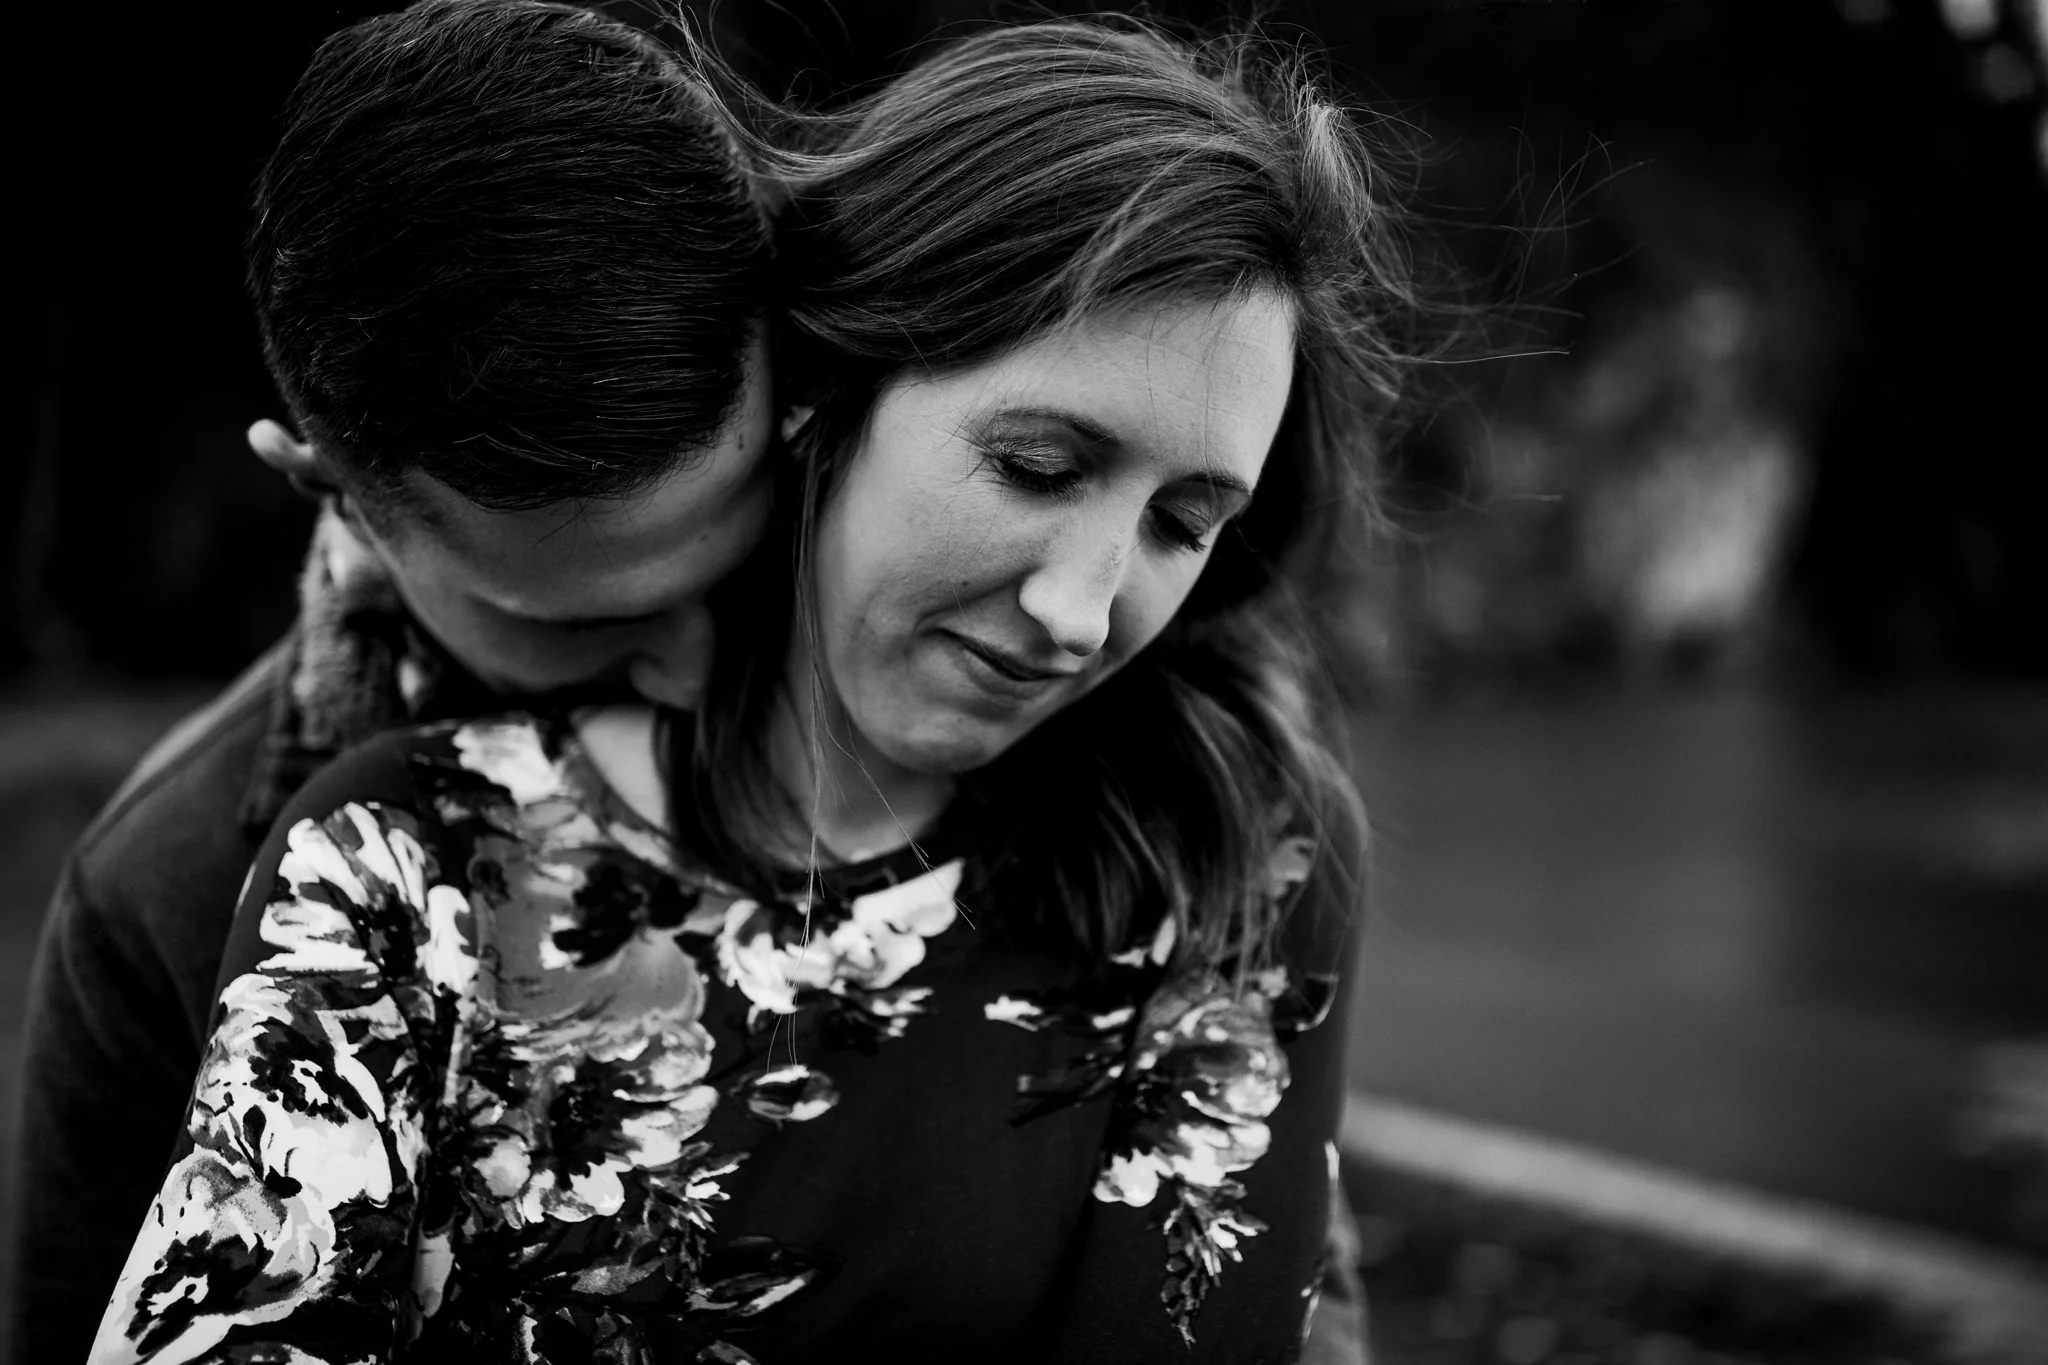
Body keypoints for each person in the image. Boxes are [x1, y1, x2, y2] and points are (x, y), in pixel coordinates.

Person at [87, 17, 1422, 1363]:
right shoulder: (297, 868)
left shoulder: (1216, 836)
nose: (1080, 616)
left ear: (785, 401)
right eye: (1036, 467)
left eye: (1186, 522)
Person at [6, 3, 777, 1359]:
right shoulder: (173, 901)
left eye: (739, 564)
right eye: (585, 624)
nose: (698, 664)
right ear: (329, 489)